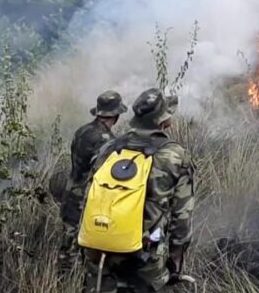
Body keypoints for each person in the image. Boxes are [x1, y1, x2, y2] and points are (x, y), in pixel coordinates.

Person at [82, 88, 195, 292]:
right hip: (145, 258)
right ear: (162, 120)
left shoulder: (108, 148)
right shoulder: (175, 156)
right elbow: (182, 220)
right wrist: (175, 264)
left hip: (100, 252)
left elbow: (88, 196)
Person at [60, 90, 128, 263]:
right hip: (87, 200)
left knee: (68, 246)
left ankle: (63, 282)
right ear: (116, 115)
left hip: (70, 194)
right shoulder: (107, 141)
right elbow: (103, 176)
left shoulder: (82, 131)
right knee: (85, 253)